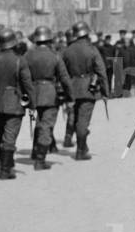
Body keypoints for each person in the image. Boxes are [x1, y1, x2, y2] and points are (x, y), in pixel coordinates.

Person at [0, 29, 34, 180]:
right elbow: (27, 84)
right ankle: (5, 170)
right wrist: (32, 104)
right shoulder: (19, 60)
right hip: (14, 101)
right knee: (10, 136)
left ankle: (7, 164)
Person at [26, 25, 72, 170]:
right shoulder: (54, 56)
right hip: (49, 93)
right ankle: (40, 159)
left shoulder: (27, 55)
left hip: (33, 92)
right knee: (46, 125)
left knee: (39, 122)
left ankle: (35, 151)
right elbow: (64, 78)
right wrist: (70, 96)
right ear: (49, 39)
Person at [62, 21, 108, 160]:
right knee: (83, 121)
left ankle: (83, 146)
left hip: (71, 88)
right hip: (88, 89)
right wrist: (105, 92)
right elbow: (102, 72)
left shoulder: (67, 50)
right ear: (87, 34)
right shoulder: (92, 49)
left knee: (75, 118)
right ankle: (81, 151)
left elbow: (62, 73)